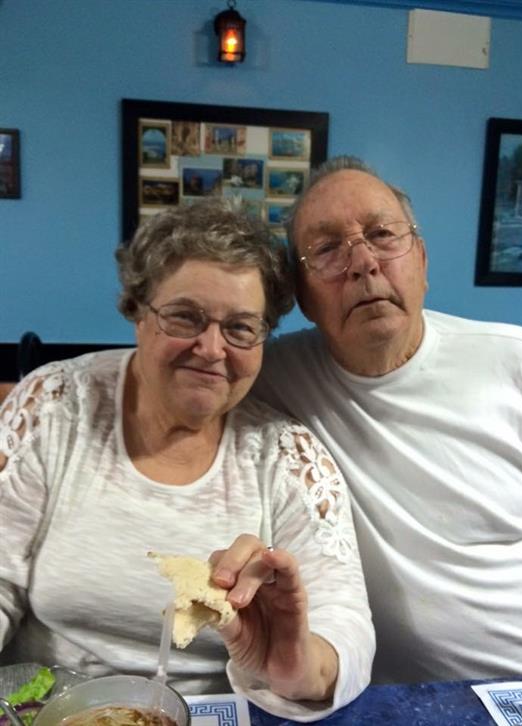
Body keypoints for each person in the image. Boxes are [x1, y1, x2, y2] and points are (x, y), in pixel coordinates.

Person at [0, 198, 375, 721]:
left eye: (241, 327)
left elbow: (345, 621)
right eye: (184, 317)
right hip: (46, 706)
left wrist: (300, 667)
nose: (212, 349)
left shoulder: (288, 458)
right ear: (137, 311)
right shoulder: (56, 406)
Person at [254, 156, 522, 684]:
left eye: (383, 235)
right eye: (327, 249)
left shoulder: (520, 361)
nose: (363, 263)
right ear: (303, 298)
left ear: (422, 262)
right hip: (387, 699)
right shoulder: (268, 377)